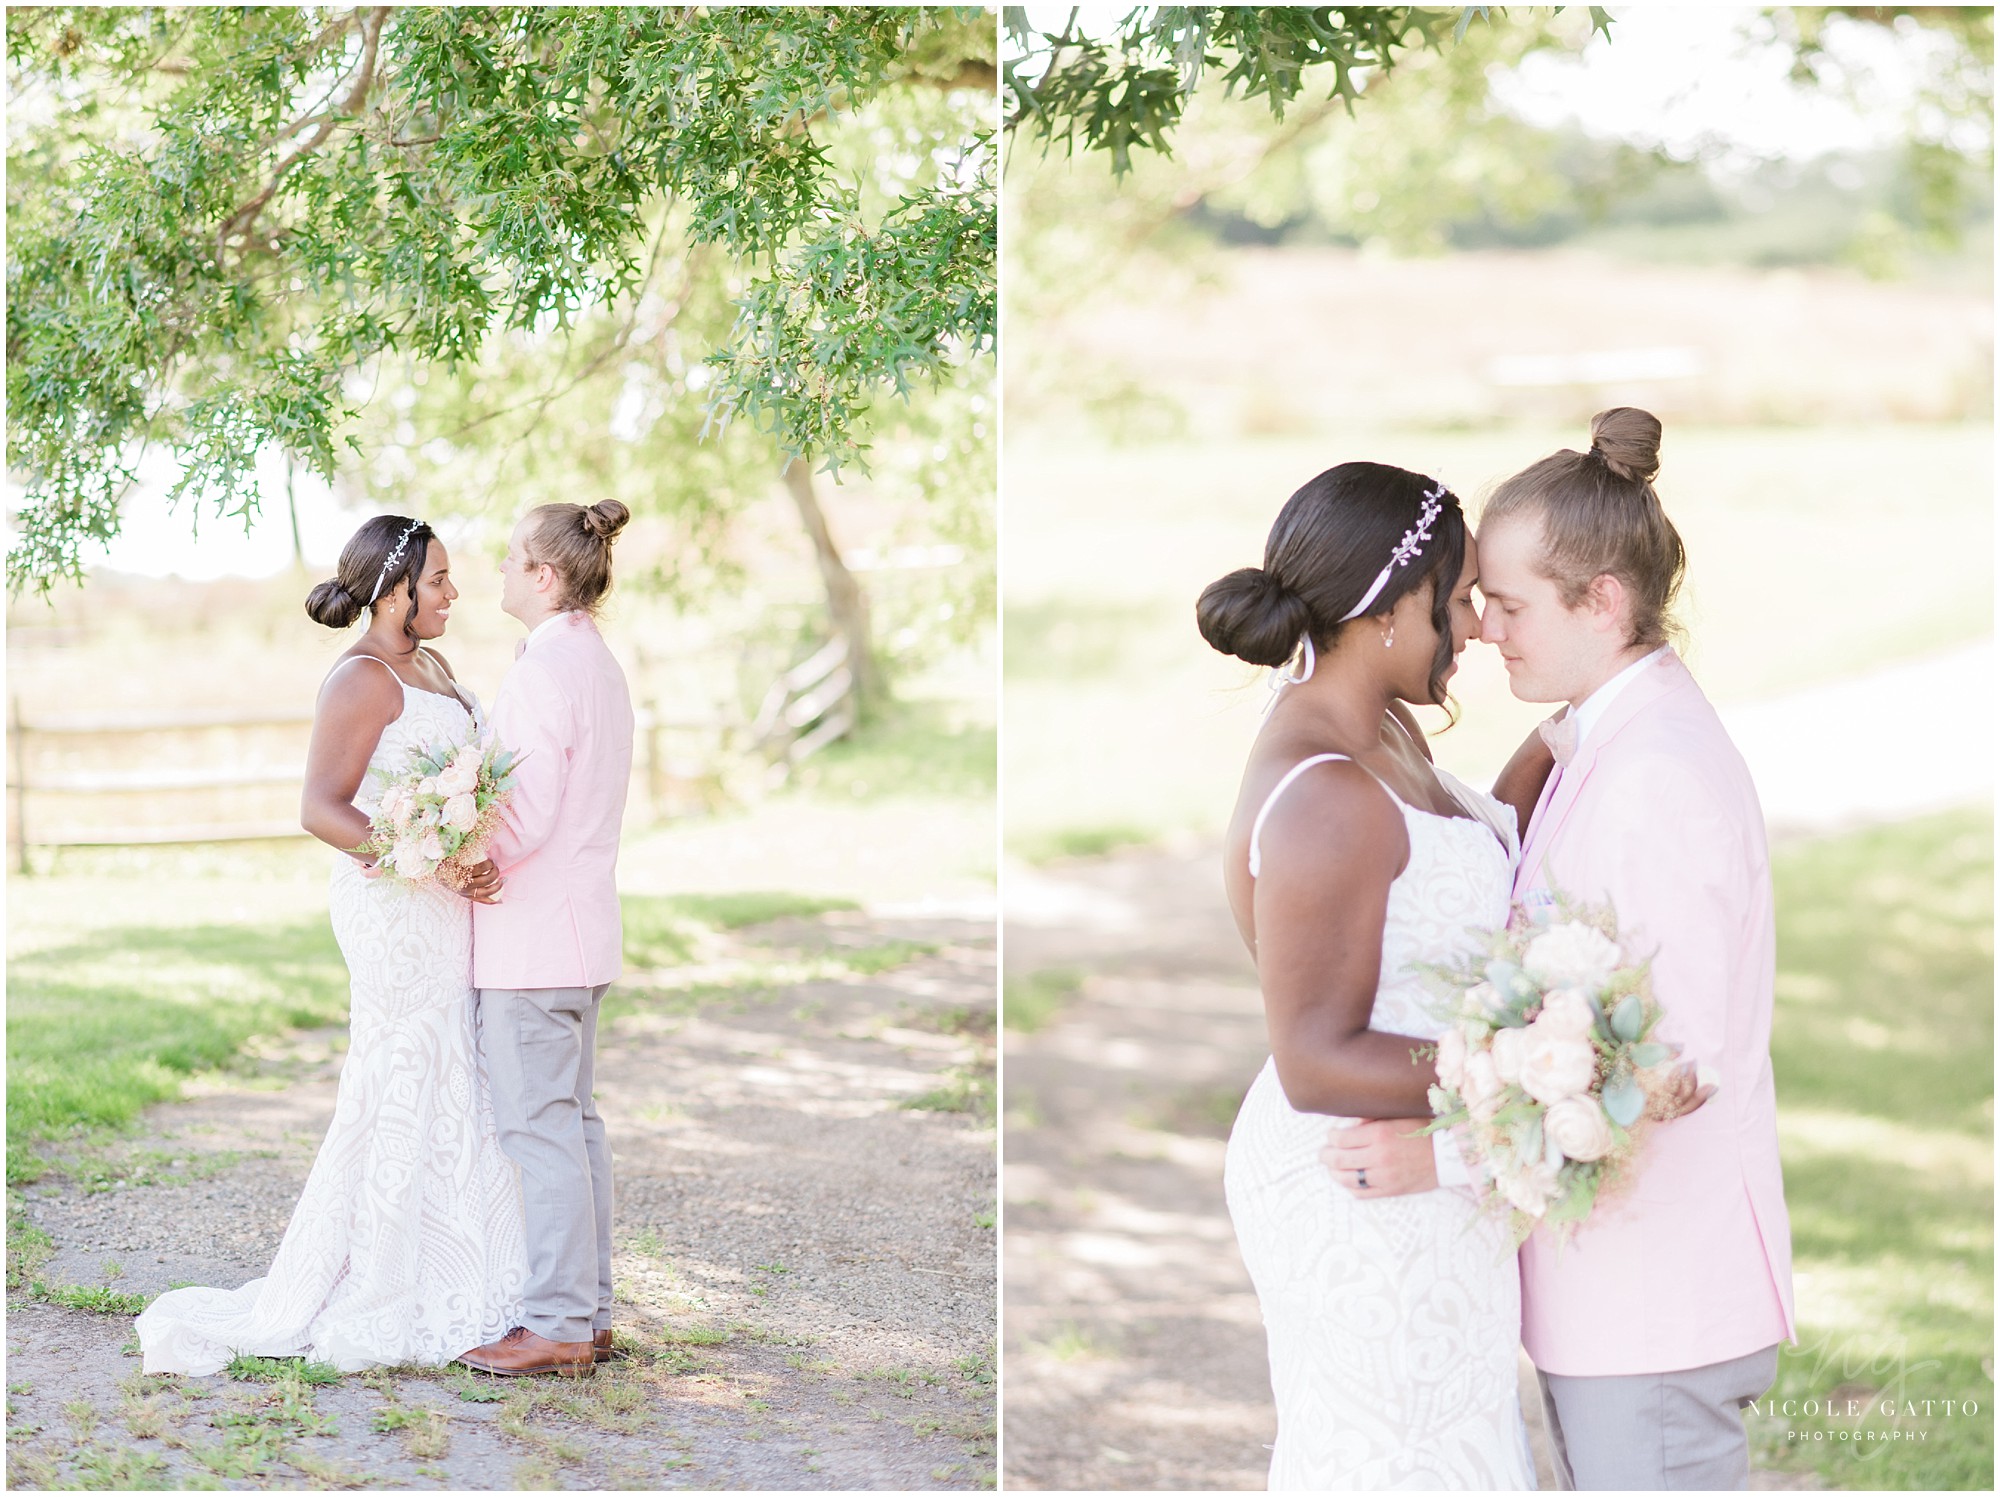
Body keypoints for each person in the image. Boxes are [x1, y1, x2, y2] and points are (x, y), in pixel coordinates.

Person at [1197, 462, 1558, 1489]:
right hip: (1352, 1169)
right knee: (1395, 1451)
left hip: (1421, 1144)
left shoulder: (1383, 731)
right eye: (1453, 604)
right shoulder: (1323, 795)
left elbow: (1443, 874)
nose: (1475, 629)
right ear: (1390, 609)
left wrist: (1561, 740)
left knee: (1459, 1432)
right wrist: (1531, 1076)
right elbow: (1313, 1058)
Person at [1476, 408, 1795, 1488]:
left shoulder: (1652, 771)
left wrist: (1448, 1147)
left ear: (1600, 600)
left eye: (1509, 603)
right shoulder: (1604, 736)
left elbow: (1666, 1065)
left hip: (1657, 1297)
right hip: (1615, 1294)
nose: (1482, 629)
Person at [136, 516, 527, 1375]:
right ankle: (381, 1276)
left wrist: (461, 859)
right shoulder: (358, 678)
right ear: (394, 593)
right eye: (439, 582)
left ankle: (468, 1266)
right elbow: (321, 808)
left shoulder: (438, 667)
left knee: (459, 1068)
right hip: (392, 906)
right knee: (404, 1069)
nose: (454, 593)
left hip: (442, 899)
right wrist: (429, 860)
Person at [457, 499, 635, 1378]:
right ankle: (589, 1314)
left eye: (507, 557)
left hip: (533, 940)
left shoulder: (539, 673)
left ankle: (560, 1321)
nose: (494, 571)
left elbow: (520, 816)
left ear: (545, 575)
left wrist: (454, 852)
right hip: (585, 930)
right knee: (577, 1125)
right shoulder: (598, 663)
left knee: (540, 1131)